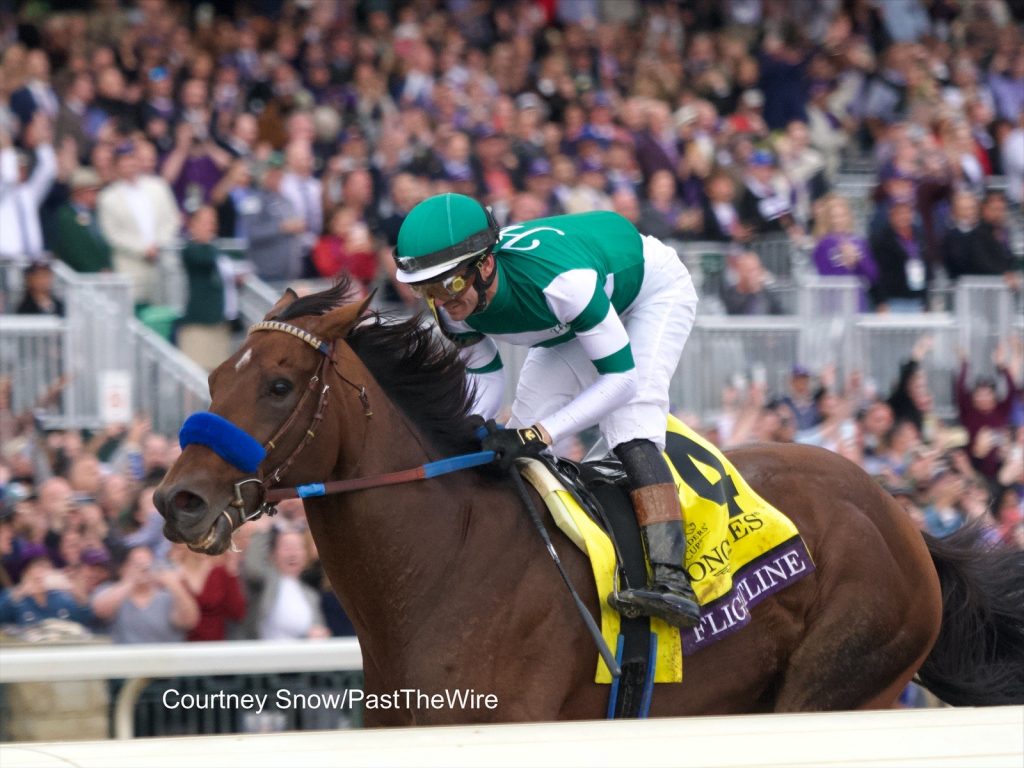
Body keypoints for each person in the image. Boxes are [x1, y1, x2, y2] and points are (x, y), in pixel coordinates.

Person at [393, 193, 701, 628]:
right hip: (576, 318)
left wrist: (541, 434)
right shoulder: (453, 306)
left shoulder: (562, 284)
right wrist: (472, 428)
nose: (442, 301)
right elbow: (484, 371)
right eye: (426, 289)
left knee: (629, 420)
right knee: (514, 445)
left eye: (450, 285)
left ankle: (674, 581)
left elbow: (620, 379)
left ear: (484, 265)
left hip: (648, 292)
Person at [176, 206, 235, 371]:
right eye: (206, 222)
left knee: (218, 376)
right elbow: (204, 258)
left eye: (213, 222)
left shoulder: (216, 251)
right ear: (192, 225)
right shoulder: (191, 250)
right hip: (198, 326)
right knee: (194, 375)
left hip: (219, 323)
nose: (212, 226)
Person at [52, 166, 112, 273]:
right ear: (78, 192)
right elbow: (74, 250)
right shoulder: (66, 216)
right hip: (80, 277)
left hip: (102, 276)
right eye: (93, 191)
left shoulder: (96, 214)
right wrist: (95, 270)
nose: (97, 195)